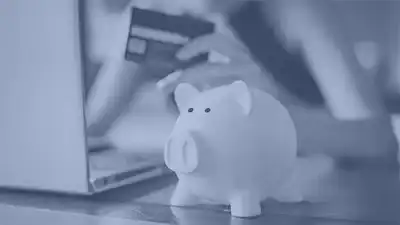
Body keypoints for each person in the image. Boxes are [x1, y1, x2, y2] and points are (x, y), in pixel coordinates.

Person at [85, 0, 399, 161]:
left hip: (313, 188)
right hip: (209, 191)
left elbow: (378, 140)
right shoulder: (147, 16)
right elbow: (89, 129)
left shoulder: (293, 10)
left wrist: (272, 114)